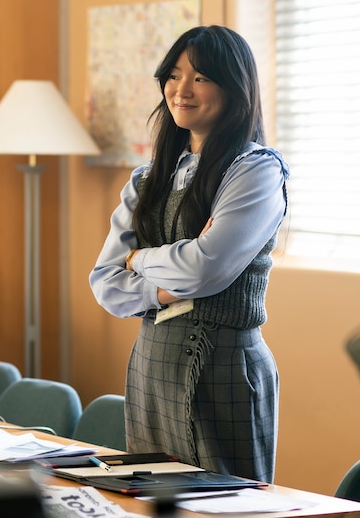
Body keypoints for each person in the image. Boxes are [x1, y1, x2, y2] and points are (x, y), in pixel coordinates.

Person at [88, 25, 289, 483]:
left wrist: (138, 261)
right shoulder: (148, 178)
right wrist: (169, 284)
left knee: (231, 508)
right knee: (153, 503)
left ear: (234, 88)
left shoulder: (255, 170)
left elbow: (206, 268)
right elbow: (104, 283)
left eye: (201, 78)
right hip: (151, 363)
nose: (182, 90)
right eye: (174, 75)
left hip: (221, 365)